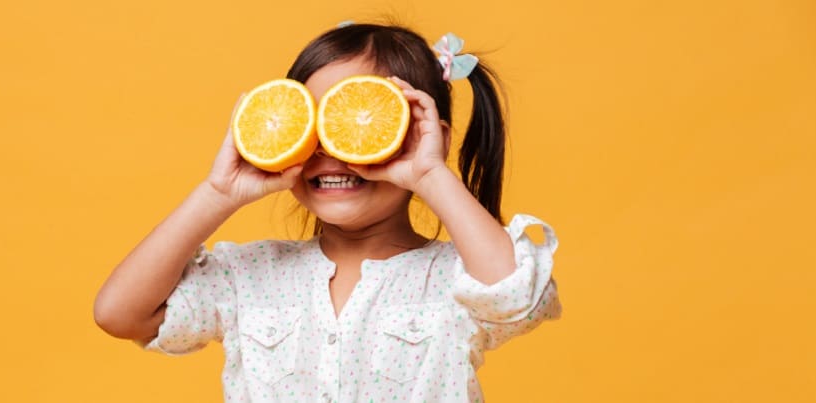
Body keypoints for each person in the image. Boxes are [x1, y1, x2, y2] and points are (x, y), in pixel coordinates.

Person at [94, 22, 562, 402]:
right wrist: (219, 192)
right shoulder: (250, 275)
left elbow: (514, 298)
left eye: (362, 124)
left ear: (424, 136)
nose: (333, 152)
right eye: (313, 127)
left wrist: (430, 174)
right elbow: (119, 313)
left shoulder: (456, 277)